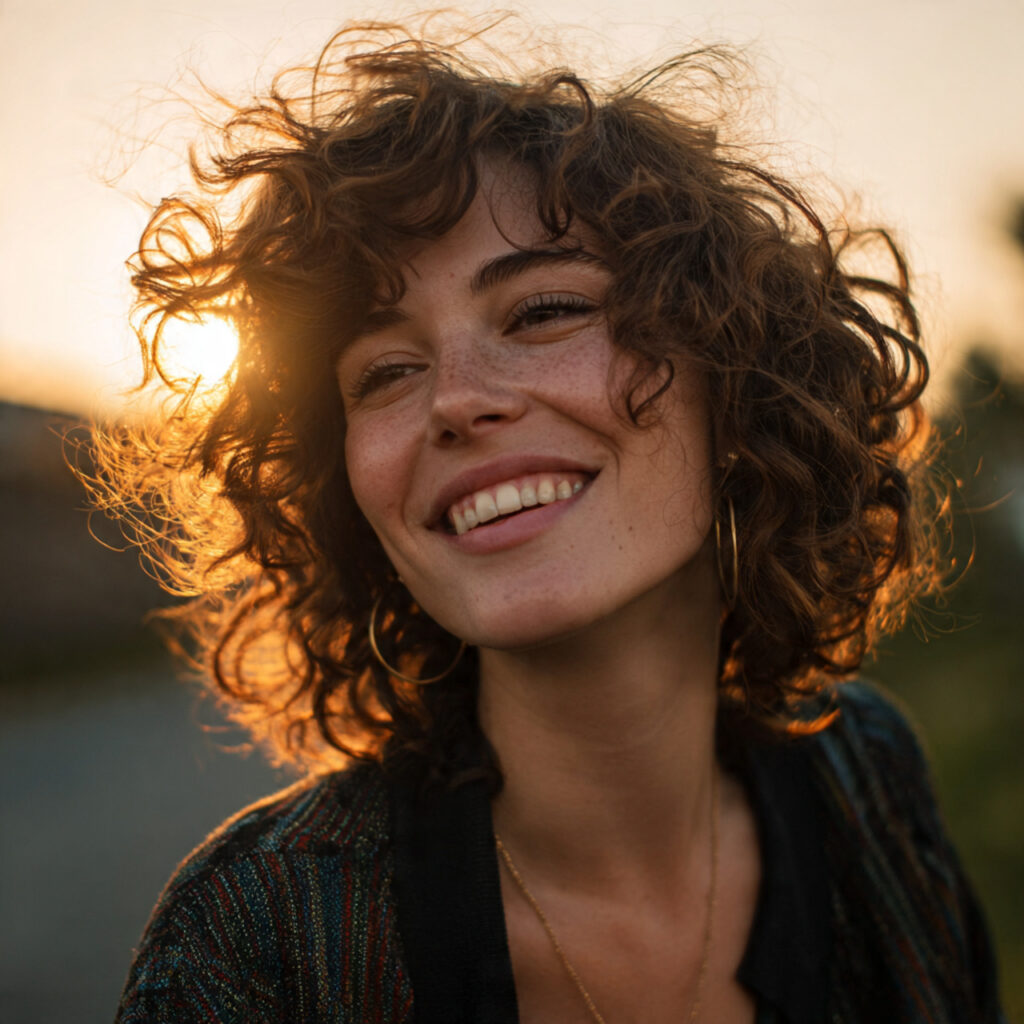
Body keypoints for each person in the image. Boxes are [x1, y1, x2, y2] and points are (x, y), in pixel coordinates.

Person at [103, 16, 1005, 1023]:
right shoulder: (250, 948)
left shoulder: (866, 775)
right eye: (386, 371)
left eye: (542, 312)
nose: (455, 400)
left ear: (738, 375)